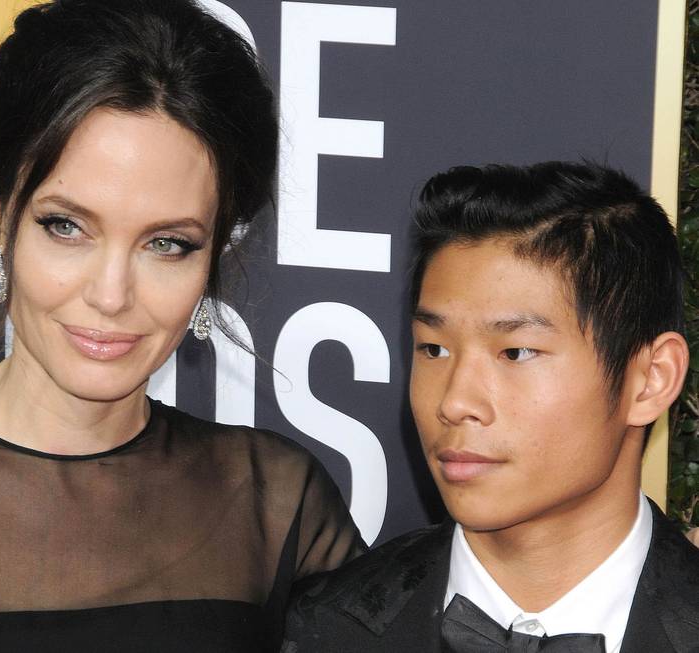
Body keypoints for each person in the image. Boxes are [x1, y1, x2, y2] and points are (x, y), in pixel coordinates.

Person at [0, 2, 363, 651]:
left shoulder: (274, 505)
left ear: (215, 252)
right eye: (66, 226)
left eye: (168, 243)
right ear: (0, 215)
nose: (110, 295)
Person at [283, 161, 699, 652]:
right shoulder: (319, 629)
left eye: (516, 353)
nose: (456, 402)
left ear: (651, 380)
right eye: (433, 349)